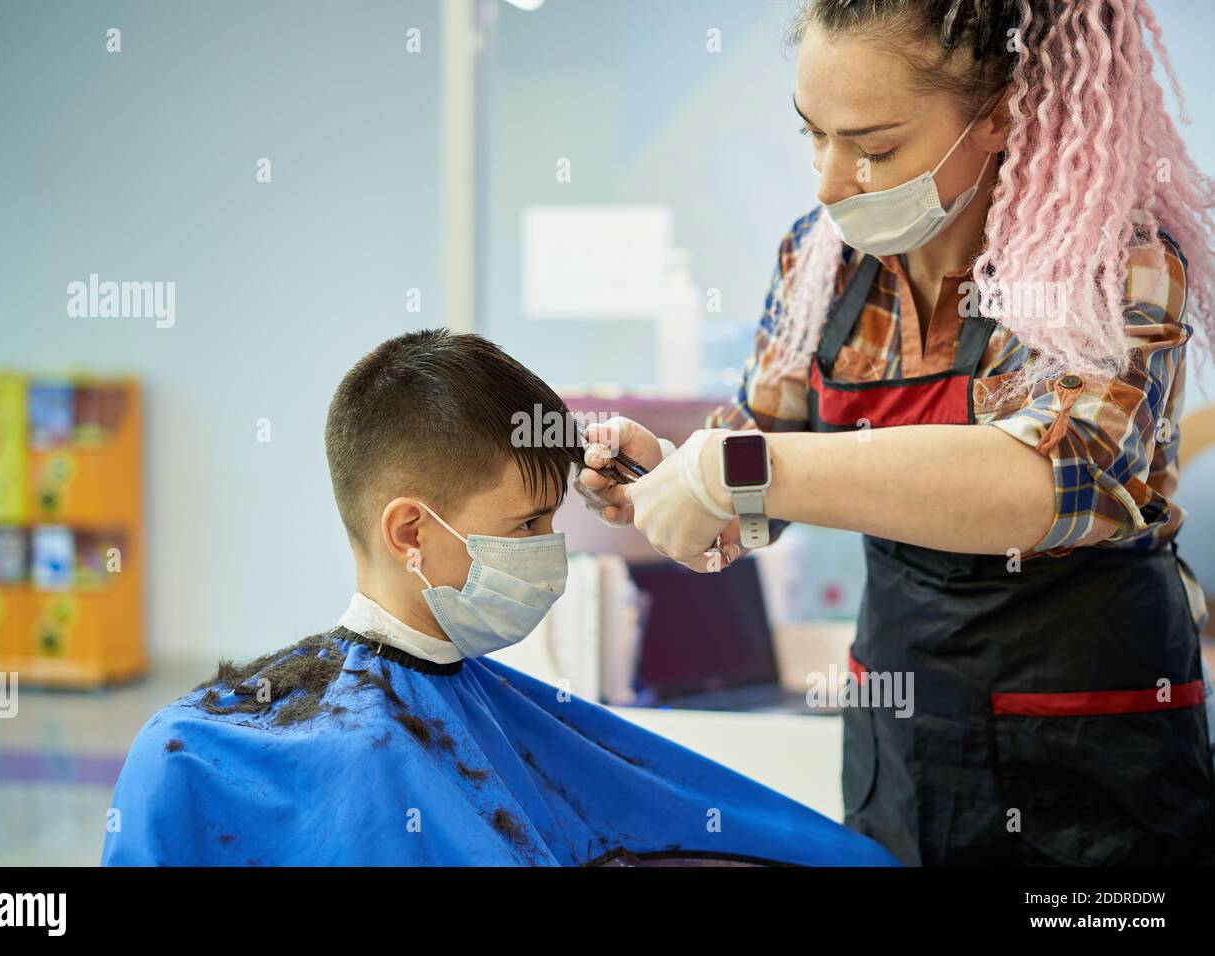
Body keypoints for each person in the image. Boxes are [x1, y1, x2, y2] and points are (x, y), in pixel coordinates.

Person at [578, 0, 1215, 866]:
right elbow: (757, 477)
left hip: (1092, 757)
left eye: (874, 149)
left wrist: (737, 468)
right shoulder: (819, 264)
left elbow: (1048, 481)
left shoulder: (1111, 264)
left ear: (998, 115)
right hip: (901, 746)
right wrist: (673, 475)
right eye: (813, 136)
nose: (829, 182)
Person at [100, 329, 900, 867]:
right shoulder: (199, 757)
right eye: (526, 523)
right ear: (410, 530)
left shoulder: (493, 713)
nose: (549, 550)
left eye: (552, 519)